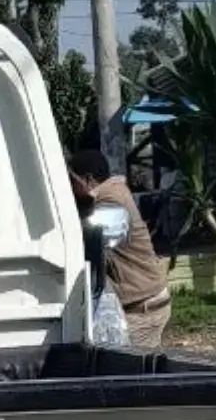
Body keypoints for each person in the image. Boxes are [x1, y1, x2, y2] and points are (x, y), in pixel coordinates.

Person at [68, 149, 172, 351]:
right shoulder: (114, 192)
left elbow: (90, 244)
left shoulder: (109, 200)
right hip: (146, 300)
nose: (70, 188)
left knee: (133, 376)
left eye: (73, 182)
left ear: (88, 180)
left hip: (142, 309)